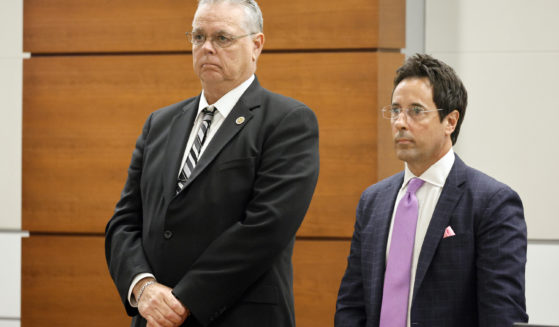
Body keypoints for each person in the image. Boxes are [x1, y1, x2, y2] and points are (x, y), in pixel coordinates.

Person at [105, 0, 319, 326]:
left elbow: (264, 229)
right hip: (153, 317)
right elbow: (124, 222)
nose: (207, 48)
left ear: (256, 45)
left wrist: (183, 300)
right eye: (198, 37)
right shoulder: (159, 124)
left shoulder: (288, 121)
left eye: (222, 38)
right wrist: (143, 287)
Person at [335, 54, 528, 327]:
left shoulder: (491, 203)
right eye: (395, 110)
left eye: (416, 111)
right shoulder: (373, 201)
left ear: (450, 121)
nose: (400, 122)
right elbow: (351, 304)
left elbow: (501, 314)